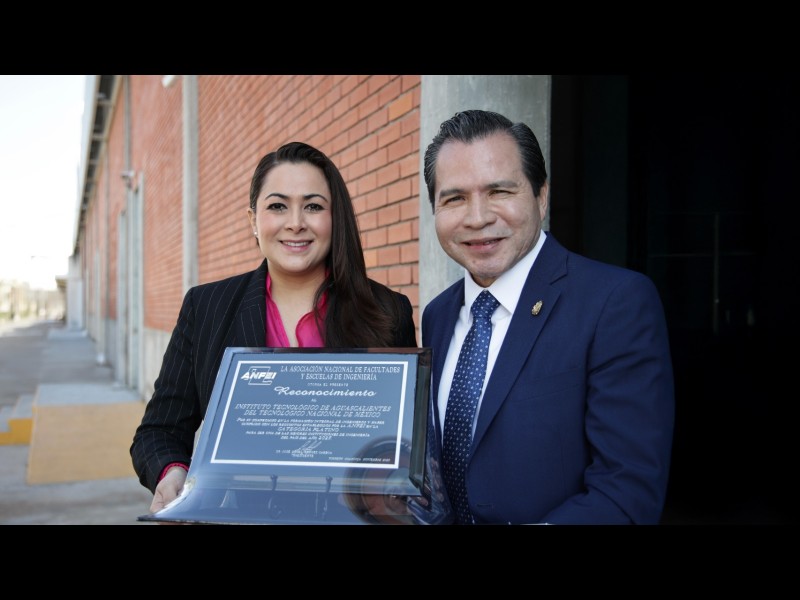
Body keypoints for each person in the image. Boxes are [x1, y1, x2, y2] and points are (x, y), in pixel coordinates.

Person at [130, 141, 417, 514]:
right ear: (253, 220)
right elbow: (159, 431)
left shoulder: (388, 311)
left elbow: (407, 444)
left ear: (335, 218)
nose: (295, 222)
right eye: (278, 206)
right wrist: (172, 473)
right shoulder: (206, 308)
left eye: (313, 206)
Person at [421, 109, 675, 525]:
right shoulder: (437, 315)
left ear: (541, 196)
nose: (478, 217)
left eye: (499, 191)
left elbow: (627, 492)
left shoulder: (615, 303)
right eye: (454, 198)